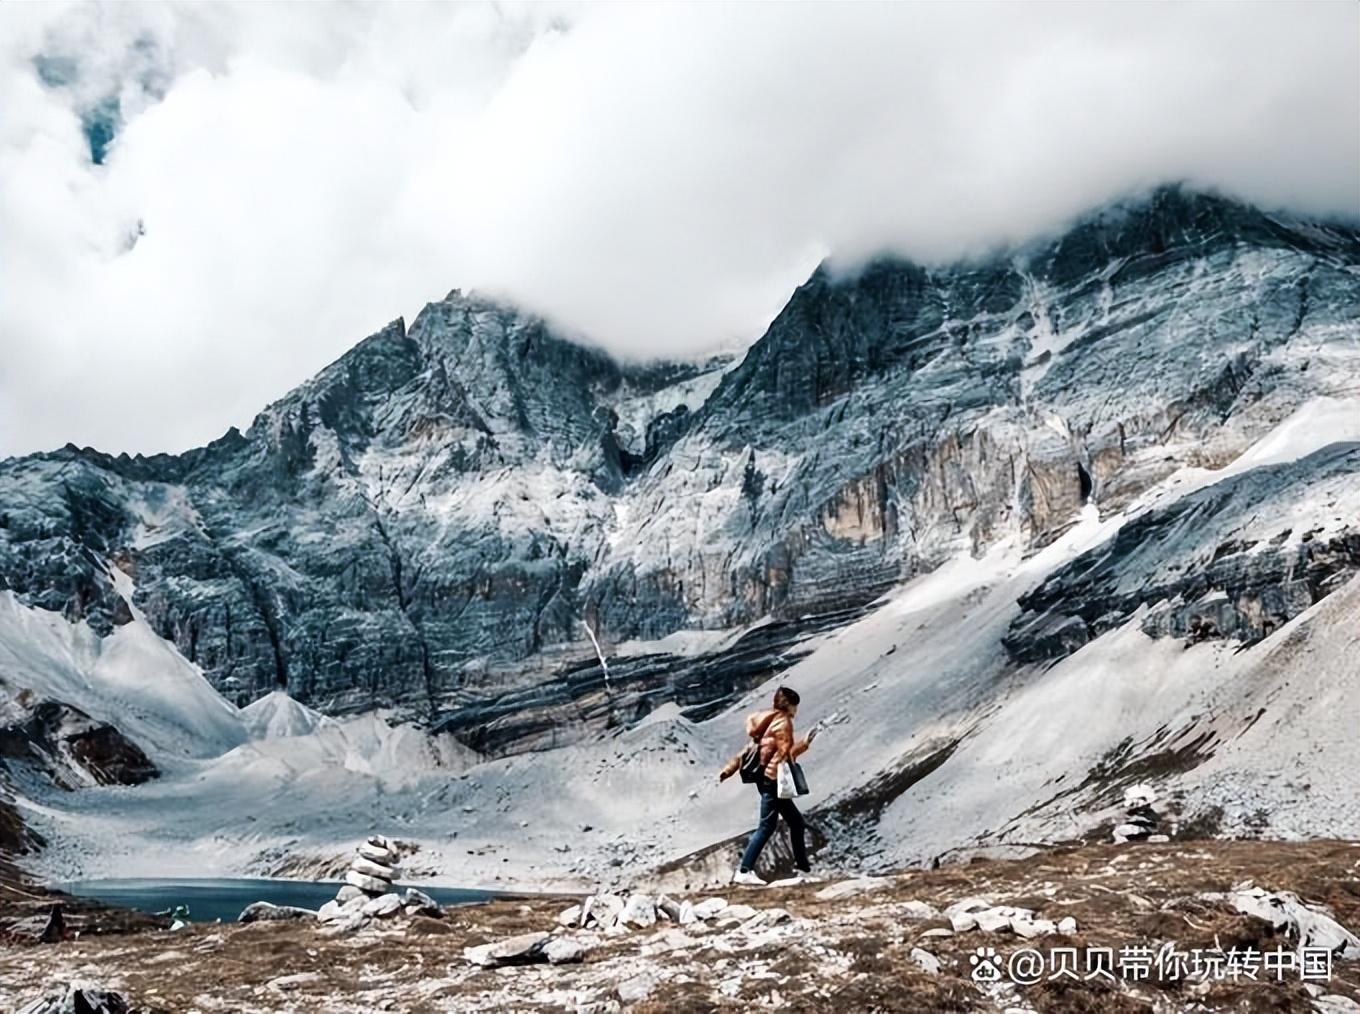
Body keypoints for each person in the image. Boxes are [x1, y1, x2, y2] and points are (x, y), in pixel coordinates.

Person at [718, 685, 818, 885]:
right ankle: (744, 870)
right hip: (773, 779)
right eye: (795, 706)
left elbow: (747, 751)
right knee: (766, 826)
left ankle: (802, 867)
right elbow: (785, 754)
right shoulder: (783, 723)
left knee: (796, 822)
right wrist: (805, 744)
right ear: (789, 705)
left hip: (765, 779)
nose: (796, 711)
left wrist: (729, 769)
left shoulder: (765, 724)